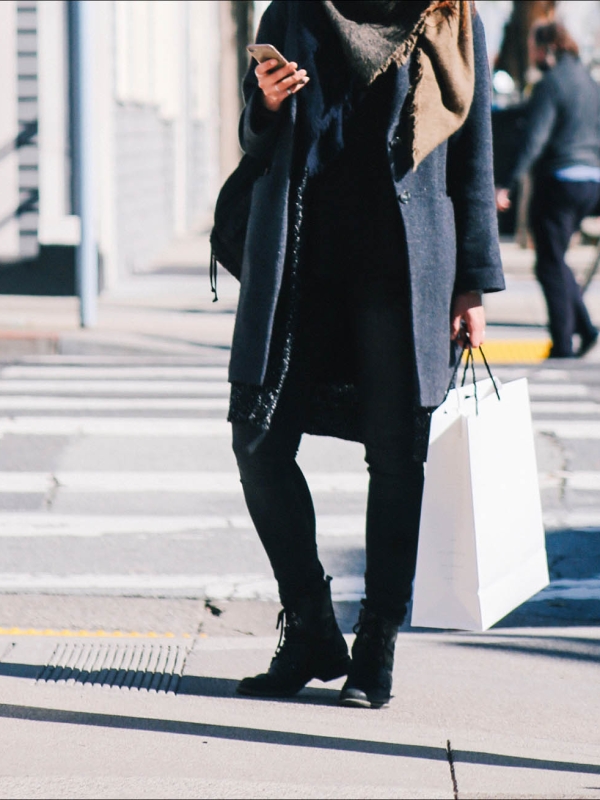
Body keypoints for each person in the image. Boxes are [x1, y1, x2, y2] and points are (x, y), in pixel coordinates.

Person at [224, 0, 504, 709]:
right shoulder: (292, 10)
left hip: (402, 270)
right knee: (256, 440)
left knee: (396, 453)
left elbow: (472, 152)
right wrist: (263, 105)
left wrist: (472, 282)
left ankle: (377, 642)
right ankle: (313, 628)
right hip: (301, 260)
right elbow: (255, 138)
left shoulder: (450, 16)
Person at [496, 21, 600, 359]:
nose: (533, 56)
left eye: (534, 49)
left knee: (549, 263)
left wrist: (507, 183)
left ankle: (564, 342)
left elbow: (534, 140)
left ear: (548, 47)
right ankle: (583, 328)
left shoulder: (551, 84)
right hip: (591, 182)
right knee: (555, 259)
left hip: (560, 180)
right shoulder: (589, 82)